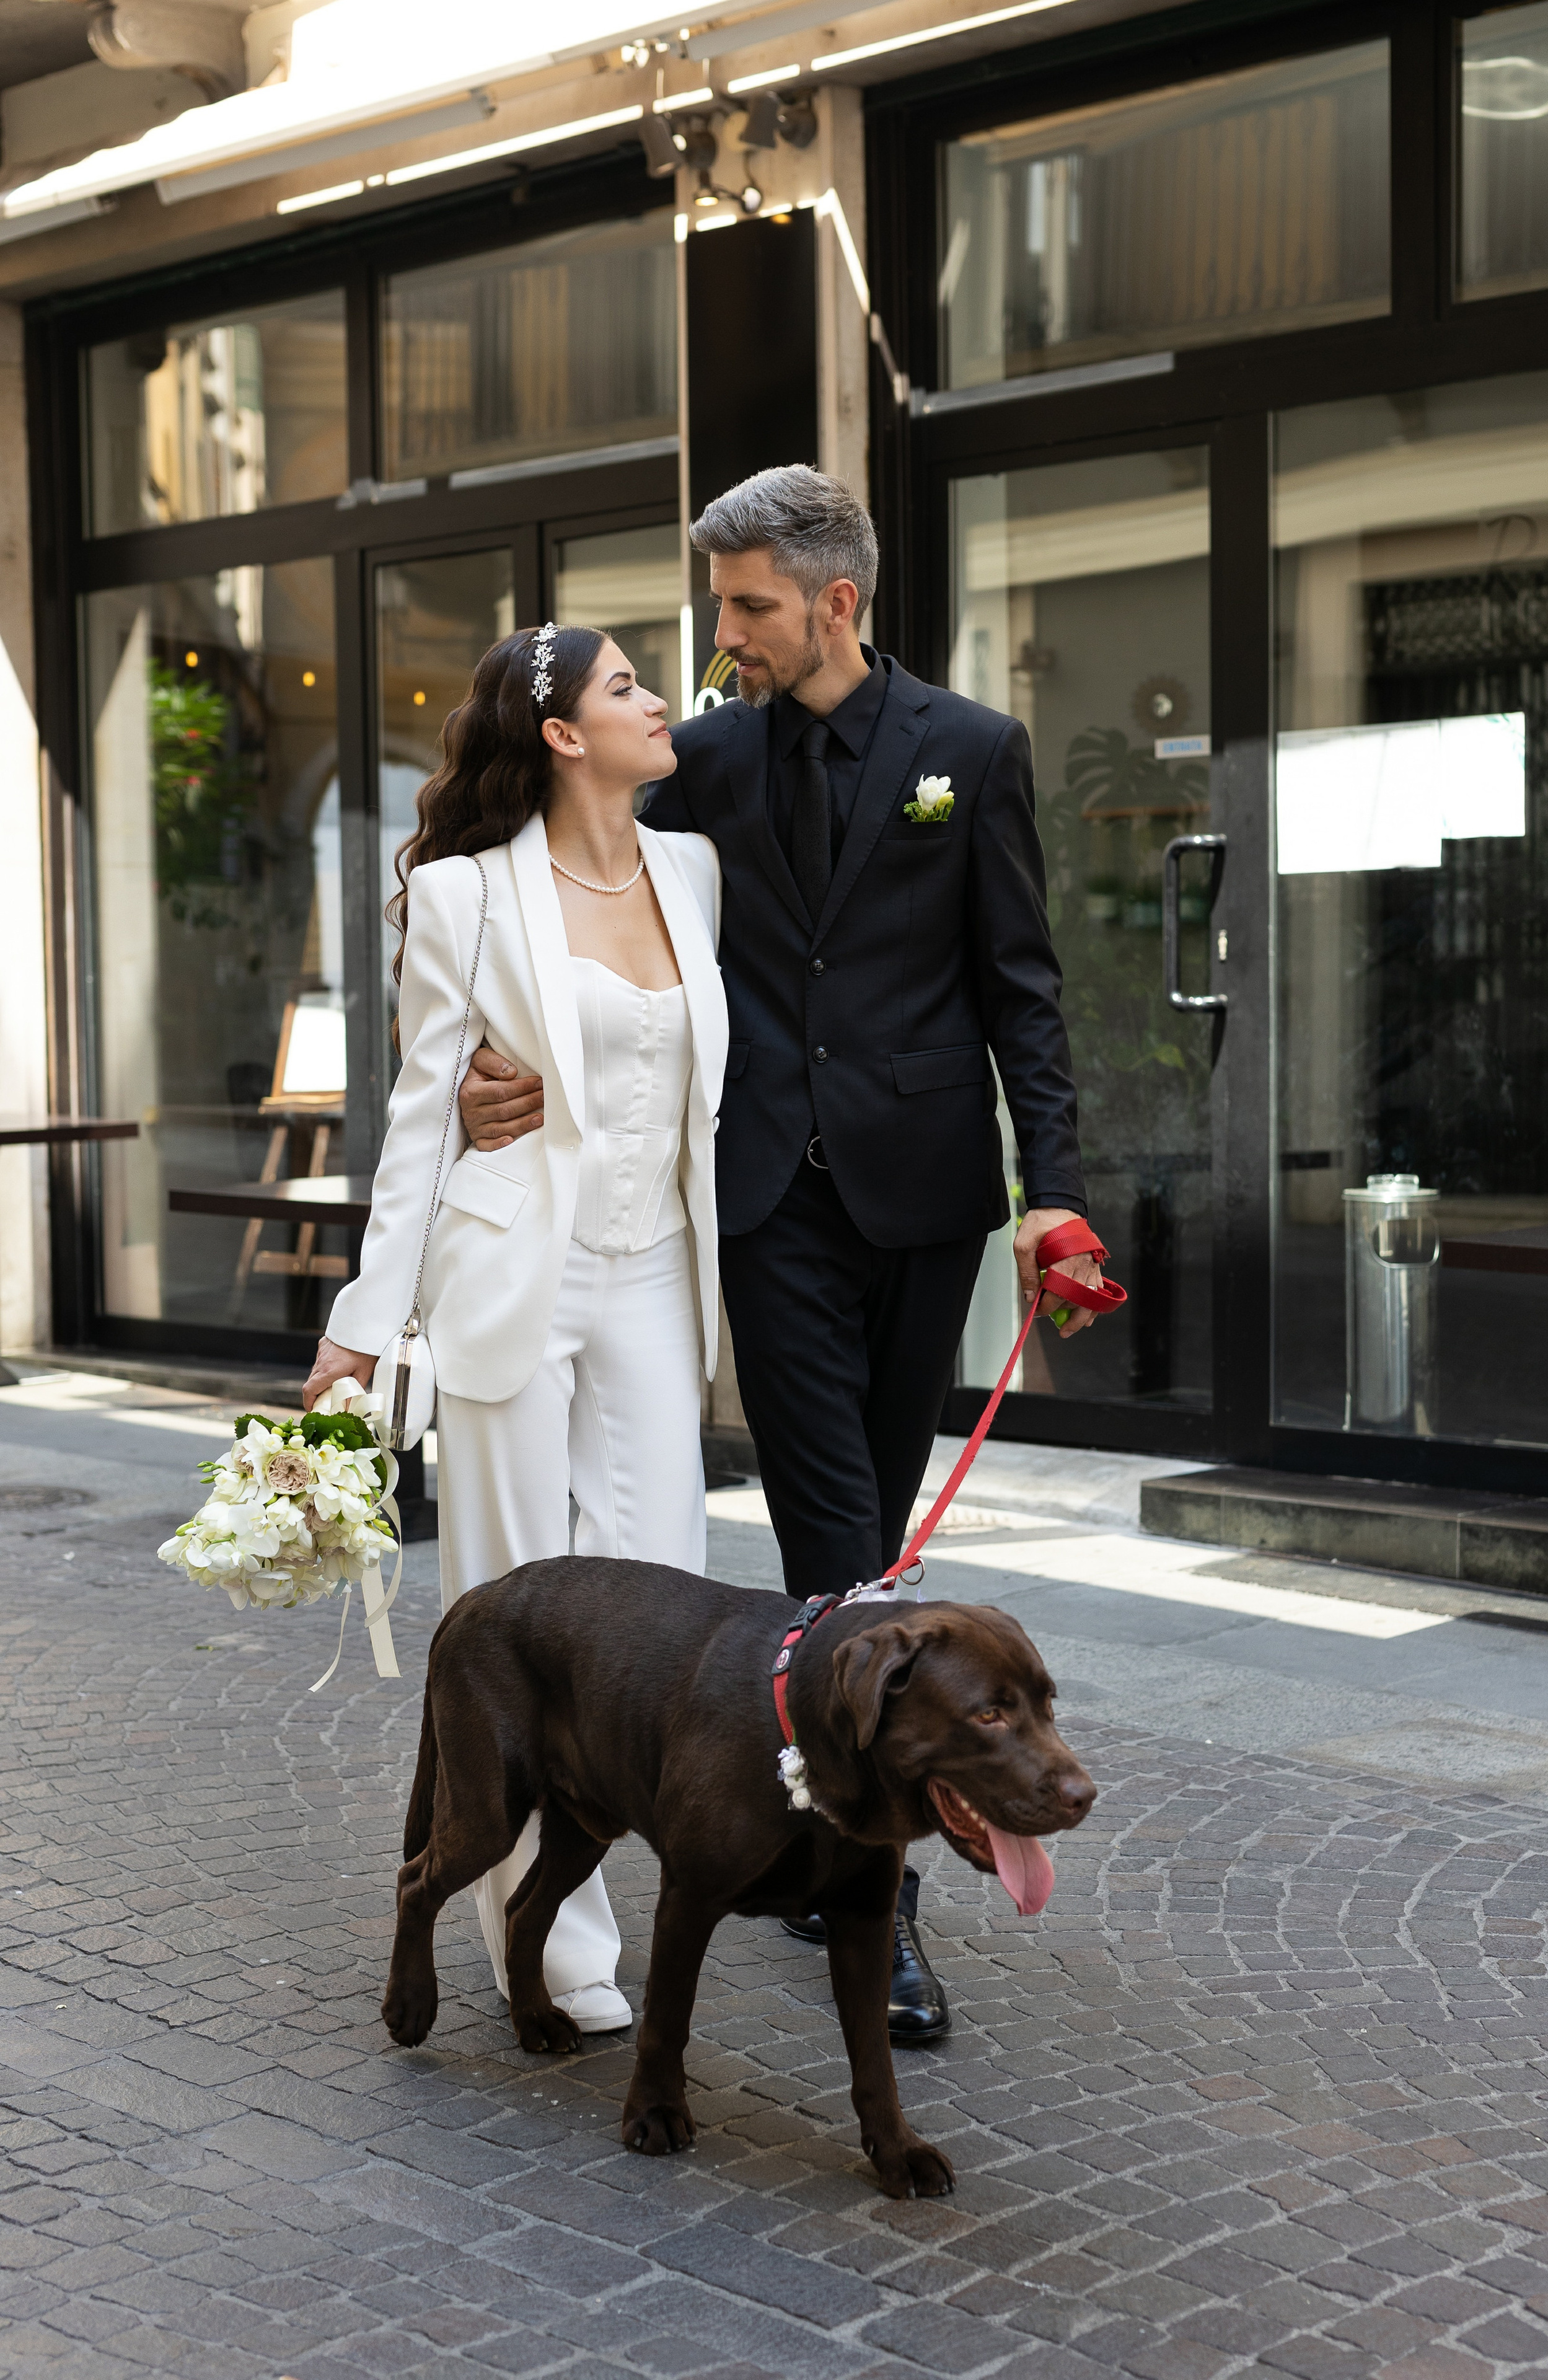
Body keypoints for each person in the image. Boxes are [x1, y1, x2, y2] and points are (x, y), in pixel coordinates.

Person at [457, 466, 1101, 2042]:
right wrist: (481, 1050)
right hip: (761, 1203)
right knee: (833, 1541)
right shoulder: (705, 758)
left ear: (834, 601)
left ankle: (834, 1836)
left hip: (925, 1197)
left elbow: (1019, 986)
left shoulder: (970, 752)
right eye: (719, 606)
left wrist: (1054, 1193)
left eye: (746, 606)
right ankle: (872, 1906)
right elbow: (562, 881)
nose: (722, 636)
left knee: (876, 1514)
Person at [301, 621, 726, 2035]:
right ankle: (541, 1940)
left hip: (658, 1271)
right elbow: (425, 1120)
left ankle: (591, 1882)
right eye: (626, 687)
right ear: (560, 733)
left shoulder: (693, 869)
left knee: (659, 1596)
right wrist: (363, 1330)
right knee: (511, 1600)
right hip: (508, 1275)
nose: (656, 703)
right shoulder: (466, 896)